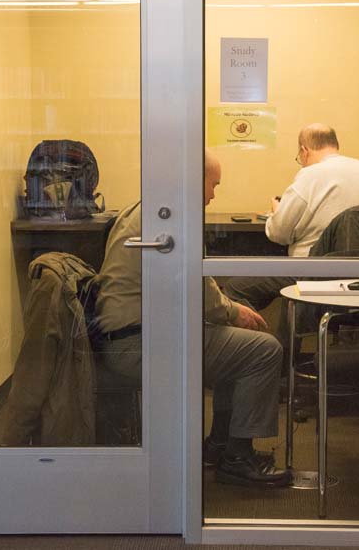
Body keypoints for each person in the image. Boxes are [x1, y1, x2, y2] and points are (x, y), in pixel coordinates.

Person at [93, 149, 291, 487]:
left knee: (236, 345)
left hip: (124, 335)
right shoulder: (170, 218)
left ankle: (218, 446)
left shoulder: (143, 209)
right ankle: (237, 458)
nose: (213, 197)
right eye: (212, 185)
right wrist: (233, 311)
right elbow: (198, 287)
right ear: (192, 179)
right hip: (139, 344)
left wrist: (225, 311)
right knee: (263, 349)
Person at [224, 123, 359, 313]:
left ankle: (262, 342)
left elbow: (279, 234)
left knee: (235, 288)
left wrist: (277, 212)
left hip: (314, 269)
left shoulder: (310, 174)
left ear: (304, 150)